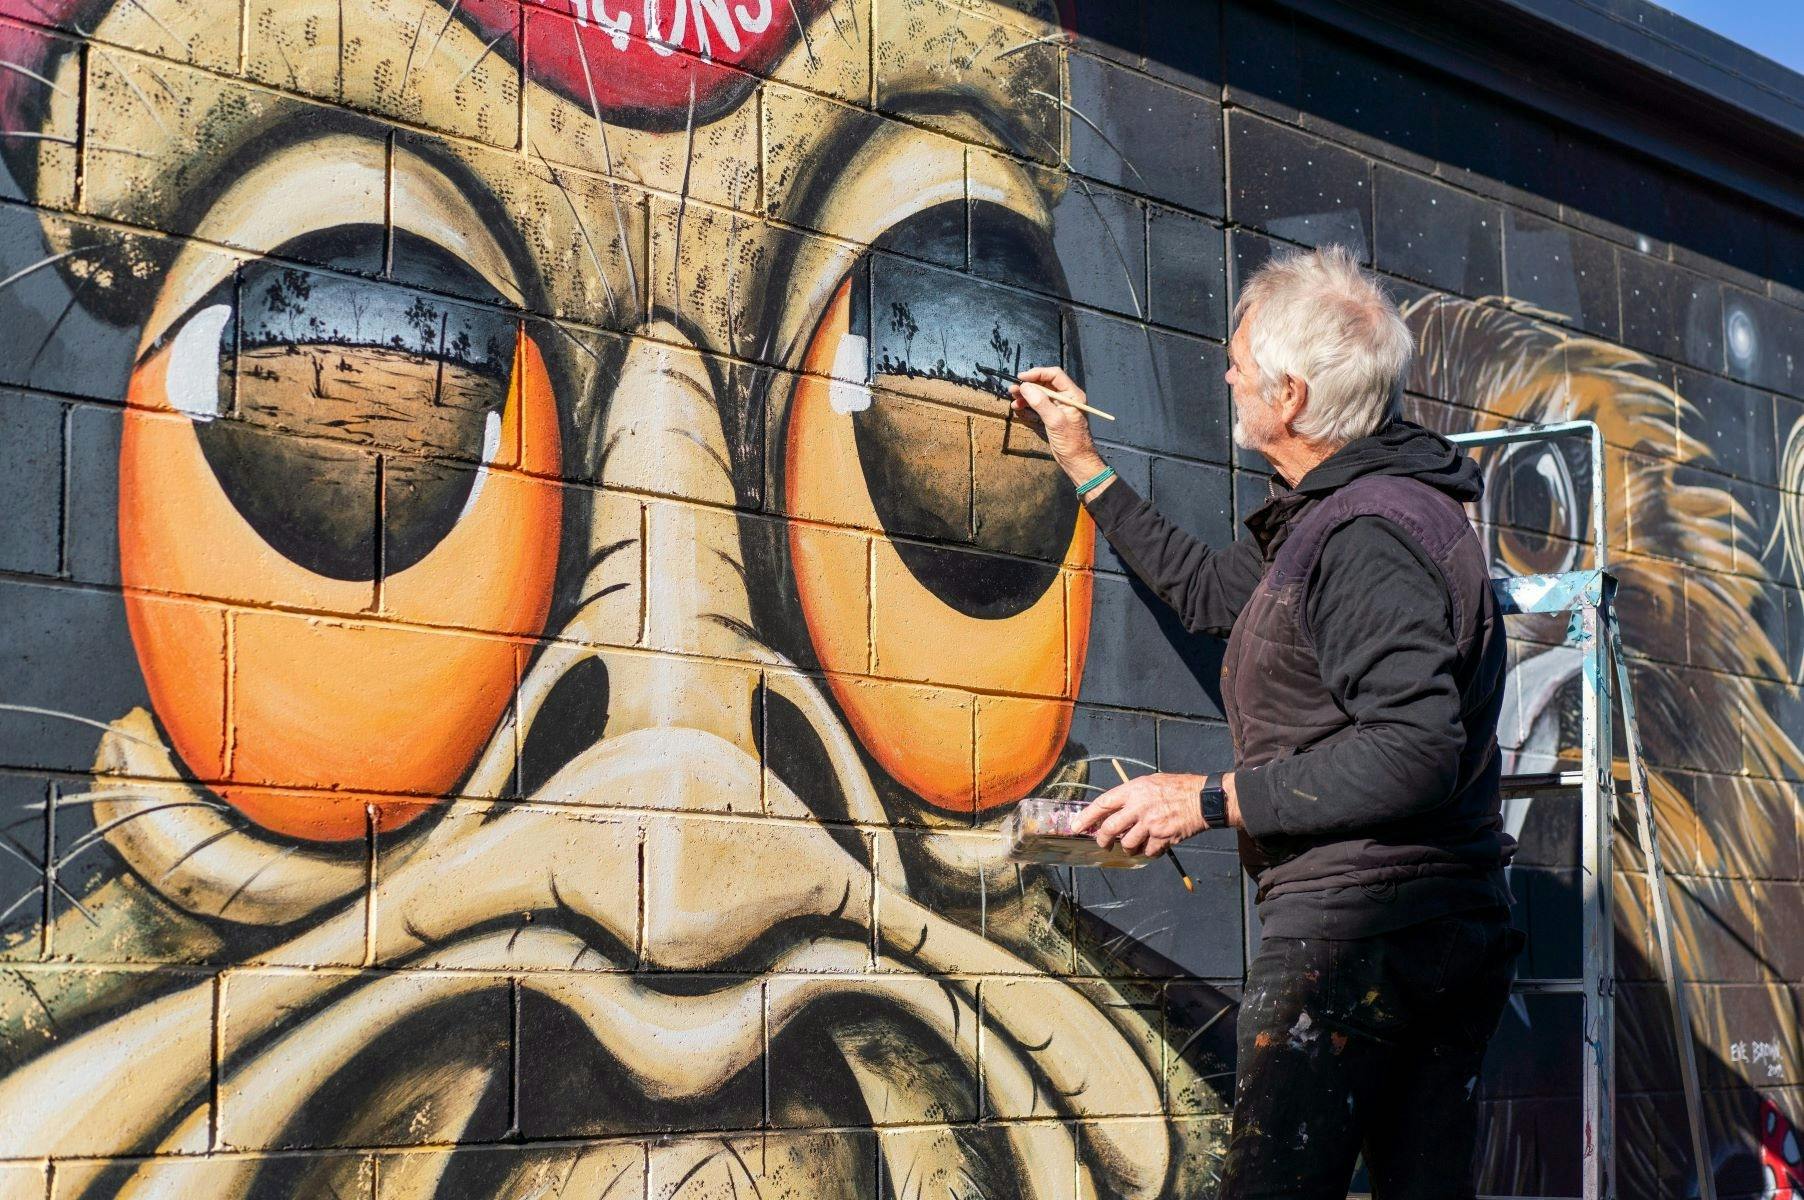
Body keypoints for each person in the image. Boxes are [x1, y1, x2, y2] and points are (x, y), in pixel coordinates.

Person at [1010, 244, 1524, 1199]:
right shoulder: (1338, 516)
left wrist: (1205, 800)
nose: (1227, 373)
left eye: (1241, 361)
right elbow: (1211, 592)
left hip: (1364, 935)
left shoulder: (1370, 535)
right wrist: (1082, 461)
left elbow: (1415, 750)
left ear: (1289, 396)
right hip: (1406, 929)